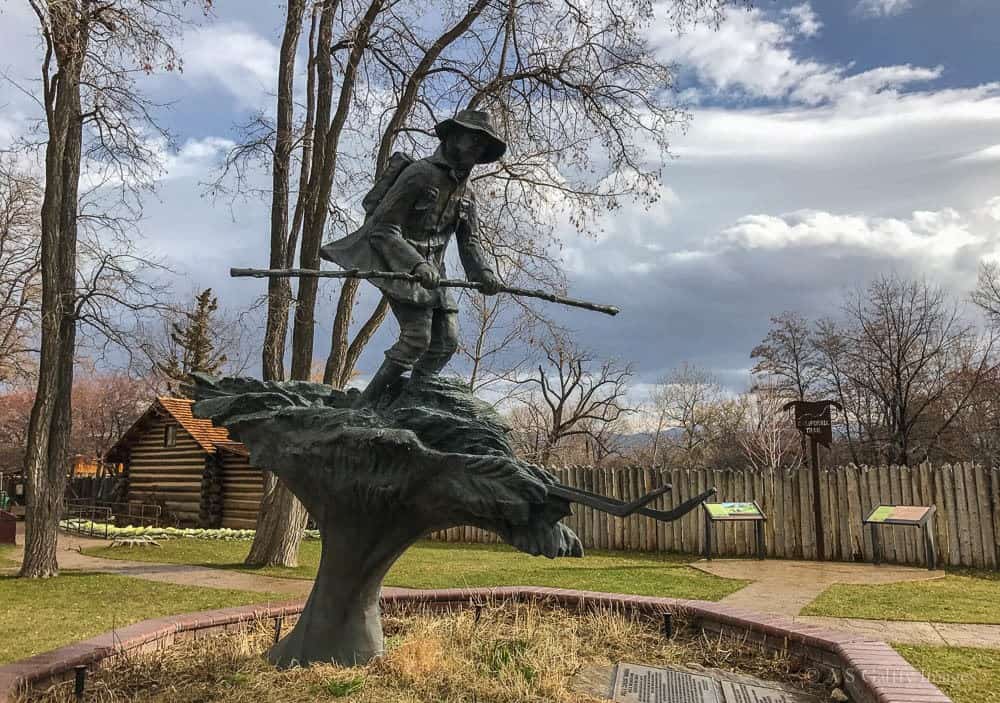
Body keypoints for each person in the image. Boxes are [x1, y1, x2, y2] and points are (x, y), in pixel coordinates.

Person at [320, 109, 505, 405]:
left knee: (447, 342)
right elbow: (383, 229)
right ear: (454, 136)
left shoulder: (467, 193)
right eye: (473, 139)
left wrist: (483, 273)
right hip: (402, 267)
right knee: (417, 338)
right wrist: (415, 263)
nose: (477, 148)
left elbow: (469, 241)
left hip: (437, 274)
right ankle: (365, 406)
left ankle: (409, 402)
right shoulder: (420, 173)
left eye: (482, 145)